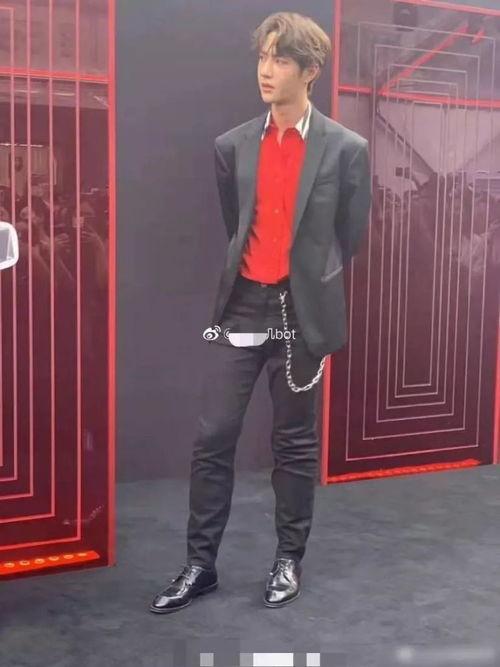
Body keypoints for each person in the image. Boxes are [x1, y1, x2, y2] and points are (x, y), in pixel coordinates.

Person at [150, 11, 371, 614]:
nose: (266, 70)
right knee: (212, 437)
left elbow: (349, 236)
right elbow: (236, 222)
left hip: (303, 313)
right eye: (263, 57)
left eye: (281, 59)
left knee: (294, 444)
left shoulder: (346, 149)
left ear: (310, 70)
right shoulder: (233, 145)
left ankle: (288, 559)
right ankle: (200, 565)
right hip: (243, 304)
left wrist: (307, 281)